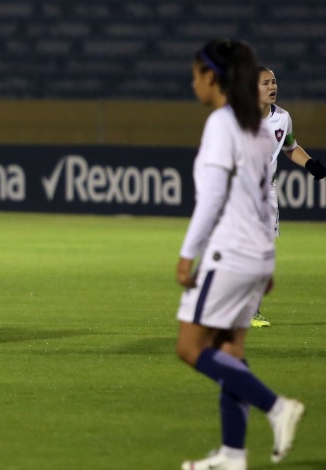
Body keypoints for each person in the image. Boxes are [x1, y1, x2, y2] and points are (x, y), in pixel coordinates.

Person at [175, 39, 304, 470]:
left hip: (230, 251)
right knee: (230, 352)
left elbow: (213, 198)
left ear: (212, 77)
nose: (193, 83)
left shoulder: (223, 123)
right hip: (256, 253)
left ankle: (276, 407)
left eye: (196, 75)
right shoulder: (258, 127)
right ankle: (232, 453)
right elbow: (264, 197)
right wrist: (267, 259)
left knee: (190, 347)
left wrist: (187, 254)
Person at [251, 66, 326, 328]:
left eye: (274, 82)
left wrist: (310, 164)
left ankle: (251, 311)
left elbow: (290, 146)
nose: (272, 87)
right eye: (265, 83)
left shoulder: (282, 118)